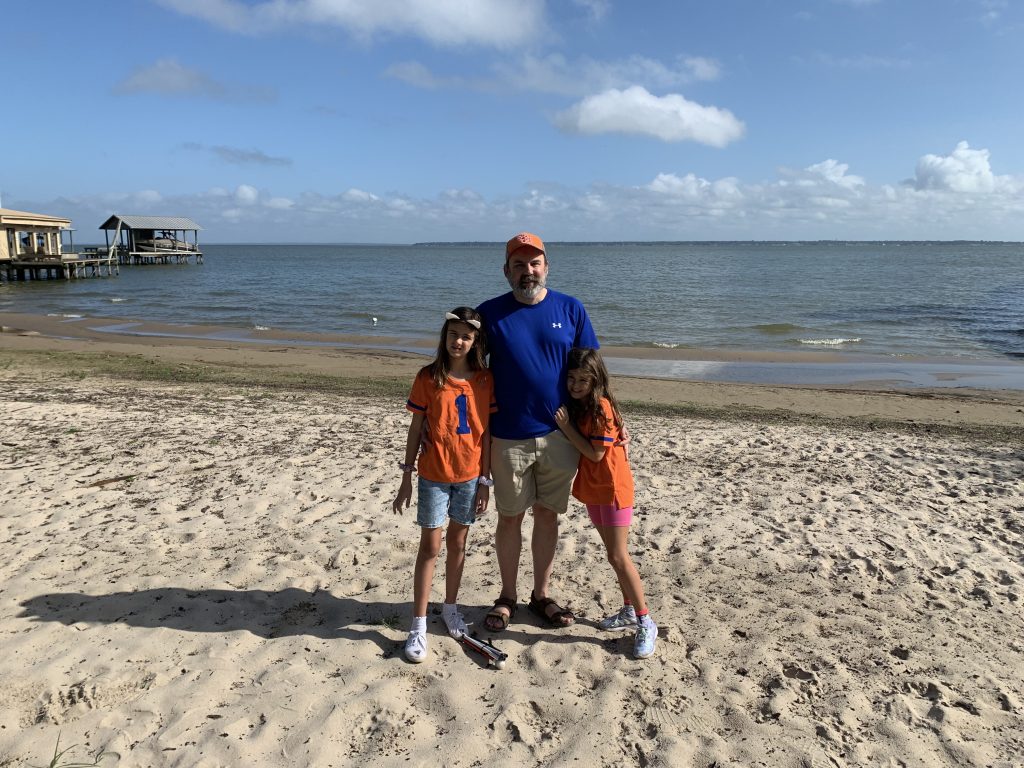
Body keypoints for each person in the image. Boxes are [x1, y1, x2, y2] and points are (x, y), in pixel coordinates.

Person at [477, 232, 599, 632]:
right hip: (507, 435)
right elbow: (467, 372)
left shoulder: (571, 308)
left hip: (560, 434)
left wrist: (609, 419)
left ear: (546, 266)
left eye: (534, 263)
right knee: (509, 518)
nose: (527, 272)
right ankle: (507, 596)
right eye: (518, 265)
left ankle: (541, 595)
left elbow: (592, 372)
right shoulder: (490, 314)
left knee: (547, 516)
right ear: (506, 270)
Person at [392, 307, 497, 663]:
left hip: (470, 477)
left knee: (458, 543)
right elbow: (415, 428)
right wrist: (406, 476)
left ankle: (450, 607)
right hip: (433, 476)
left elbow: (488, 436)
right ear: (445, 336)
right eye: (453, 334)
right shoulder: (428, 377)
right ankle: (418, 623)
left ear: (475, 341)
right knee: (430, 547)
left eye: (466, 336)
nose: (459, 341)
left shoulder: (484, 380)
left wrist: (485, 480)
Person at [553, 347, 657, 659]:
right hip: (594, 488)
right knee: (613, 556)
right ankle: (628, 610)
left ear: (596, 379)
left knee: (618, 555)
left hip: (613, 487)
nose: (575, 385)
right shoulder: (582, 404)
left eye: (583, 380)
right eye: (571, 378)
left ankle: (645, 621)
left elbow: (596, 453)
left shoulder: (601, 407)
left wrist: (566, 427)